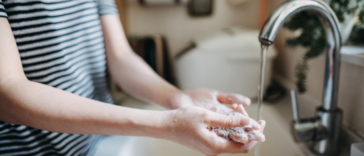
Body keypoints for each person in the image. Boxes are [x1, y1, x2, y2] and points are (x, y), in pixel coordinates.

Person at [0, 0, 265, 155]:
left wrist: (174, 95)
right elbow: (7, 92)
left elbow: (121, 58)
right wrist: (166, 124)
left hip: (94, 144)